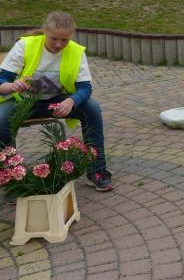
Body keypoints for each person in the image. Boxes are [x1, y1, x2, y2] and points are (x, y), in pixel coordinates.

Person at [0, 12, 113, 192]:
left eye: (64, 40)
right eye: (54, 39)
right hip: (21, 101)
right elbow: (2, 79)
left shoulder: (76, 51)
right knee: (1, 119)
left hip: (54, 102)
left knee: (92, 108)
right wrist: (11, 86)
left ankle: (97, 170)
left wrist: (72, 101)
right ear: (45, 31)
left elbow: (85, 88)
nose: (59, 44)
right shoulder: (25, 45)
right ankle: (12, 180)